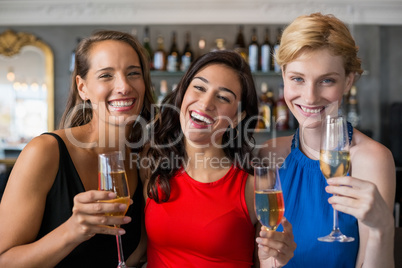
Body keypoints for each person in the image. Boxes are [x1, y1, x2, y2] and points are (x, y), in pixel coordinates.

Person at [0, 30, 154, 267]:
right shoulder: (45, 151)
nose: (124, 86)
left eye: (133, 73)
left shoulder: (142, 160)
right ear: (83, 88)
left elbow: (130, 256)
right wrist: (72, 231)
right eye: (106, 75)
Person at [258, 13, 396, 267]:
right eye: (297, 78)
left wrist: (382, 230)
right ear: (283, 76)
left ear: (348, 81)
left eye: (327, 80)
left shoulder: (372, 159)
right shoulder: (269, 154)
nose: (310, 97)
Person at [142, 50, 296, 267]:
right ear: (183, 93)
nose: (205, 104)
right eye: (199, 87)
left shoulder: (256, 185)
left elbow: (266, 260)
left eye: (223, 97)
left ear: (236, 118)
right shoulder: (153, 166)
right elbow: (134, 253)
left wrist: (274, 261)